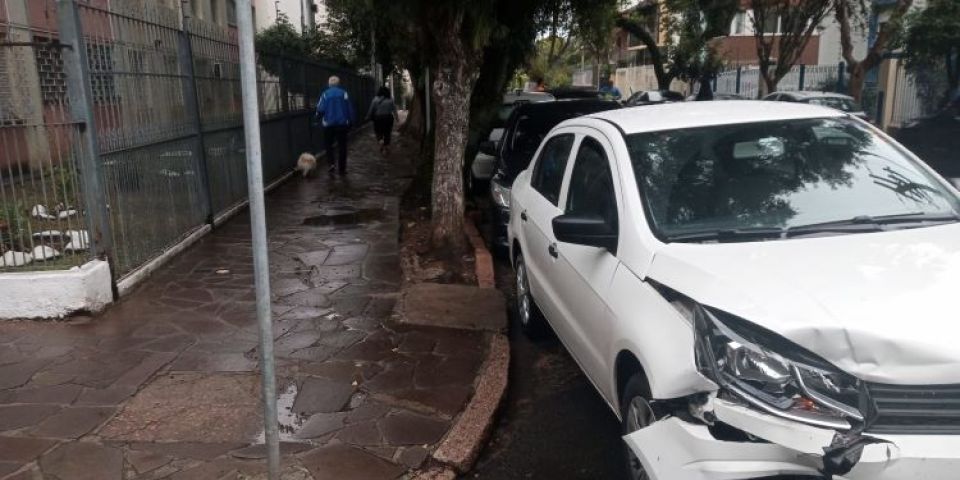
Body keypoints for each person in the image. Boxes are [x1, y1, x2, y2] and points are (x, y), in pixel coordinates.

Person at [317, 75, 355, 175]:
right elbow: (349, 108)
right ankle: (342, 169)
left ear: (329, 84)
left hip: (328, 124)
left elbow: (320, 109)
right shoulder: (344, 93)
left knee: (328, 145)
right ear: (338, 84)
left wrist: (317, 118)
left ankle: (331, 164)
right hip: (342, 124)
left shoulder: (325, 94)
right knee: (342, 146)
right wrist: (351, 120)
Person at [367, 86, 400, 155]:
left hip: (378, 119)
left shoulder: (375, 99)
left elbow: (371, 109)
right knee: (387, 133)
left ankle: (380, 141)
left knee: (378, 131)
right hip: (388, 118)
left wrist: (368, 116)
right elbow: (394, 110)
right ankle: (386, 147)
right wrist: (397, 118)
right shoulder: (390, 100)